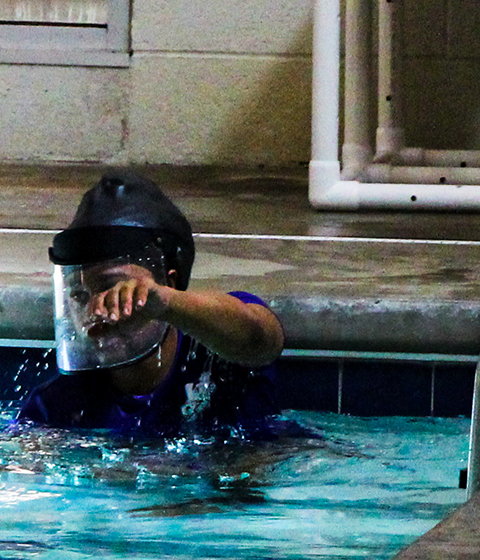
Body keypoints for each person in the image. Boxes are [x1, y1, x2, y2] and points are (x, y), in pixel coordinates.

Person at [17, 172, 286, 439]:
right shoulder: (58, 408)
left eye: (115, 289)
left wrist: (165, 303)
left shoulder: (217, 355)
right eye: (79, 296)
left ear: (169, 283)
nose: (95, 311)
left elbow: (261, 341)